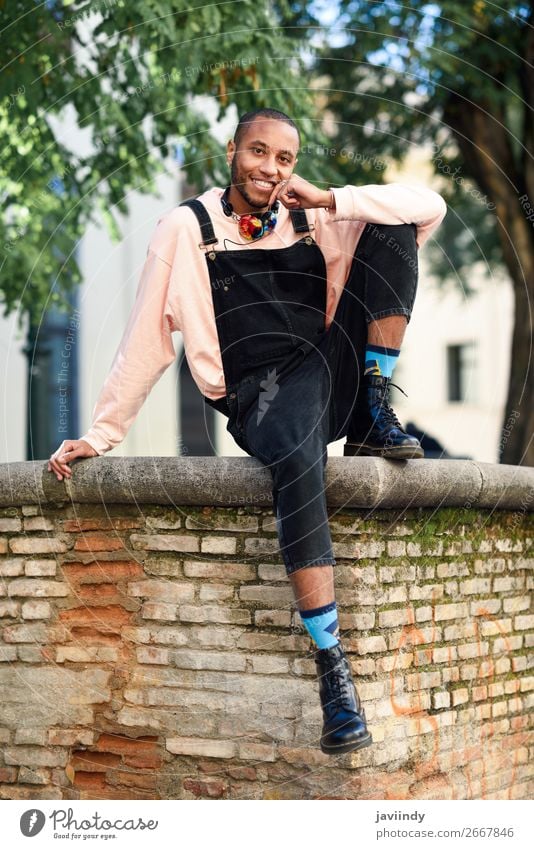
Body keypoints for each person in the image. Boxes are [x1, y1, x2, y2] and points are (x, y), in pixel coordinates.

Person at [48, 107, 447, 756]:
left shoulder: (313, 213)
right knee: (298, 459)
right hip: (260, 396)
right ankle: (333, 670)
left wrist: (331, 197)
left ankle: (374, 409)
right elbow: (147, 338)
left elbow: (428, 207)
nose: (269, 168)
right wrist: (101, 433)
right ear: (233, 149)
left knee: (393, 229)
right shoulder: (187, 228)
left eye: (284, 159)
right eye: (258, 152)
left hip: (327, 373)